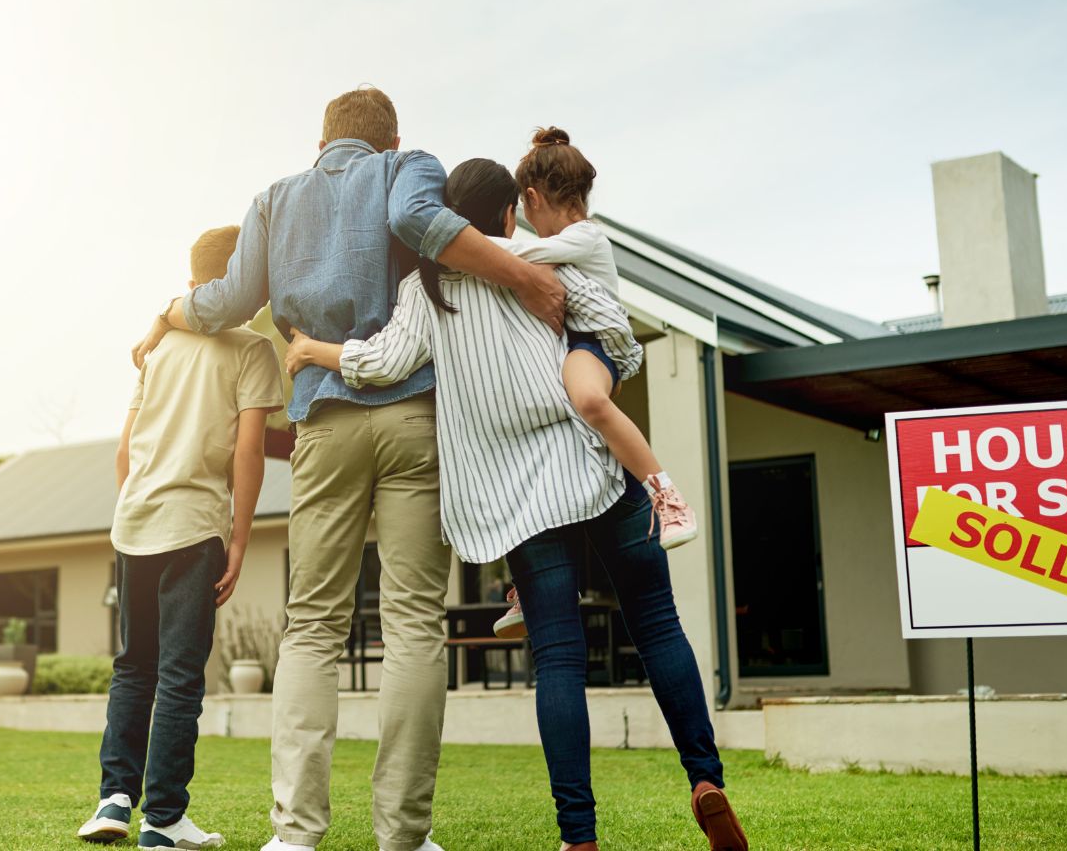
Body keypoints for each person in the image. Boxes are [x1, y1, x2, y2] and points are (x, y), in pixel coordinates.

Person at [132, 86, 566, 851]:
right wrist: (523, 275)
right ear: (390, 138)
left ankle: (295, 835)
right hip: (412, 418)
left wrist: (171, 309)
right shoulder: (408, 167)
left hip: (324, 421)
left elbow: (229, 300)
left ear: (322, 140)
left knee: (312, 628)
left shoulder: (275, 197)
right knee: (411, 626)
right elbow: (417, 224)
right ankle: (403, 835)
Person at [286, 157, 745, 851]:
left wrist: (313, 350)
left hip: (519, 504)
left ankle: (579, 836)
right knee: (656, 626)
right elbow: (614, 333)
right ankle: (705, 779)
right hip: (591, 471)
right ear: (508, 214)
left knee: (559, 658)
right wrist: (595, 367)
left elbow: (383, 362)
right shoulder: (536, 260)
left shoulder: (425, 286)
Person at [80, 225, 285, 849]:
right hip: (193, 527)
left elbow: (124, 450)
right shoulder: (252, 349)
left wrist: (135, 510)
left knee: (132, 667)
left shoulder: (158, 347)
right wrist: (240, 539)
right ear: (243, 282)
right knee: (179, 676)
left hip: (135, 523)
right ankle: (163, 818)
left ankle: (114, 799)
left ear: (194, 280)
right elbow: (249, 451)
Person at [490, 127, 699, 640]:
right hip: (569, 351)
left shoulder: (584, 237)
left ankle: (665, 494)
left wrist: (455, 243)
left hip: (593, 347)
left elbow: (515, 259)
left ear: (533, 199)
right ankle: (525, 583)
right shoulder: (568, 240)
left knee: (585, 399)